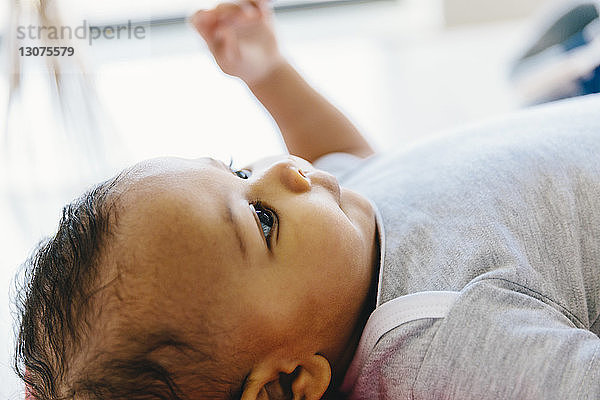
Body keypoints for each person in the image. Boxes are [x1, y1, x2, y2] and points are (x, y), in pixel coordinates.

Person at [13, 1, 600, 399]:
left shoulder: (341, 241)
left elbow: (350, 160)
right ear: (287, 384)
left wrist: (269, 73)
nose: (286, 171)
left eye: (240, 171)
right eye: (261, 220)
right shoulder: (449, 346)